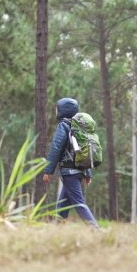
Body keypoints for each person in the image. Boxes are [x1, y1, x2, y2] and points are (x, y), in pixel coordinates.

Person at [42, 98, 99, 228]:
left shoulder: (64, 126)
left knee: (79, 203)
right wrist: (87, 173)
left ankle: (96, 230)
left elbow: (56, 148)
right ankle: (58, 229)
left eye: (57, 109)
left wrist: (47, 170)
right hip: (78, 171)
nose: (56, 111)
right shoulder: (79, 128)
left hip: (69, 172)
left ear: (62, 110)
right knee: (63, 204)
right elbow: (85, 152)